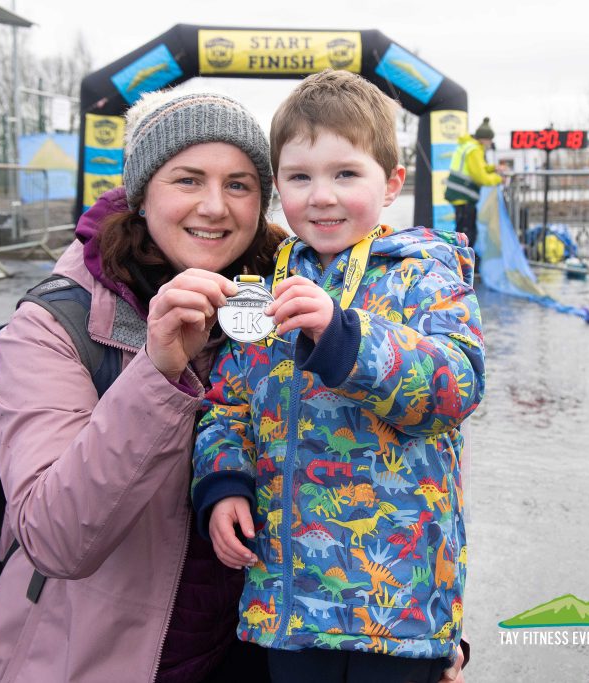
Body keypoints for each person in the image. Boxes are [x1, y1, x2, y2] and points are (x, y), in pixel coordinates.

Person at [0, 90, 286, 682]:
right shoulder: (55, 324)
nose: (215, 206)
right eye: (188, 180)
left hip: (255, 649)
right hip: (98, 656)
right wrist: (156, 373)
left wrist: (418, 635)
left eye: (239, 185)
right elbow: (53, 540)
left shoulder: (291, 297)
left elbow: (370, 464)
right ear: (141, 195)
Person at [192, 70, 484, 683]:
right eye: (300, 177)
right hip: (288, 606)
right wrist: (223, 484)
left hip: (400, 607)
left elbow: (455, 388)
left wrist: (344, 336)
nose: (321, 196)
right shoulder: (265, 288)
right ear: (278, 187)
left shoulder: (425, 276)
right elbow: (228, 404)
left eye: (345, 174)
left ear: (391, 184)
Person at [444, 116, 502, 252]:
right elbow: (480, 177)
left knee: (462, 232)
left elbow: (477, 168)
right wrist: (499, 179)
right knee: (467, 233)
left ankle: (460, 259)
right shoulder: (474, 150)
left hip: (459, 195)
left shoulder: (469, 146)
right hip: (463, 196)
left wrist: (493, 168)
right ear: (484, 139)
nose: (490, 143)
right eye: (490, 140)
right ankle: (463, 261)